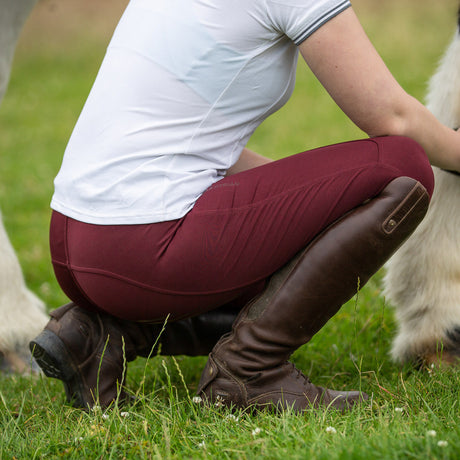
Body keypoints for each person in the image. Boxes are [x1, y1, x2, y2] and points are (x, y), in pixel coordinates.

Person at [30, 0, 460, 412]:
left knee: (320, 227)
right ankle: (251, 369)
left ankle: (100, 335)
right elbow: (395, 120)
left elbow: (194, 139)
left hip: (79, 241)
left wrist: (318, 207)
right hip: (142, 246)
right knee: (401, 166)